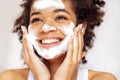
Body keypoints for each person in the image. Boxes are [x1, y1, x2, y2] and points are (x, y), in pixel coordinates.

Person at [0, 0, 117, 80]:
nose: (46, 28)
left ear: (81, 27)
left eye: (60, 17)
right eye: (36, 20)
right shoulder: (10, 77)